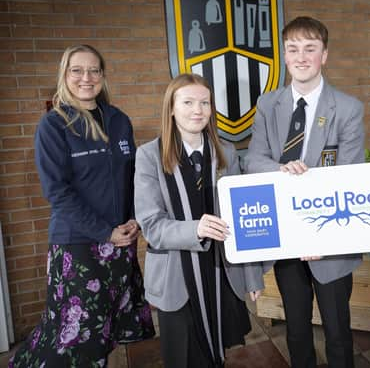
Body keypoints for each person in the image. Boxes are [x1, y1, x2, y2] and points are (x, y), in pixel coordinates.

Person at [9, 45, 155, 367]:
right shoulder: (53, 125)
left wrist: (134, 219)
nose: (86, 78)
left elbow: (132, 179)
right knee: (73, 338)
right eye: (77, 70)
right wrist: (106, 232)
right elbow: (57, 193)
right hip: (79, 246)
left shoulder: (119, 121)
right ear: (65, 75)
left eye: (93, 70)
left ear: (103, 76)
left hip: (120, 243)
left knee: (106, 331)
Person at [244, 16, 365, 368]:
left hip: (330, 239)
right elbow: (253, 159)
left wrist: (321, 236)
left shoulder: (348, 108)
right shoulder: (268, 104)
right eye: (293, 49)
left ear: (324, 55)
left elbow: (350, 176)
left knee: (338, 330)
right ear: (284, 54)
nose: (301, 56)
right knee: (295, 329)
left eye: (310, 48)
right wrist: (279, 169)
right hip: (287, 237)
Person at [134, 73, 264, 368]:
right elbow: (151, 226)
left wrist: (253, 275)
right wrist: (196, 229)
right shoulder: (149, 156)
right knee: (184, 358)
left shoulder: (226, 153)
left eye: (204, 102)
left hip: (220, 271)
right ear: (171, 107)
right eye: (188, 102)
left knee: (218, 354)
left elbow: (241, 217)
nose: (197, 110)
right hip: (176, 276)